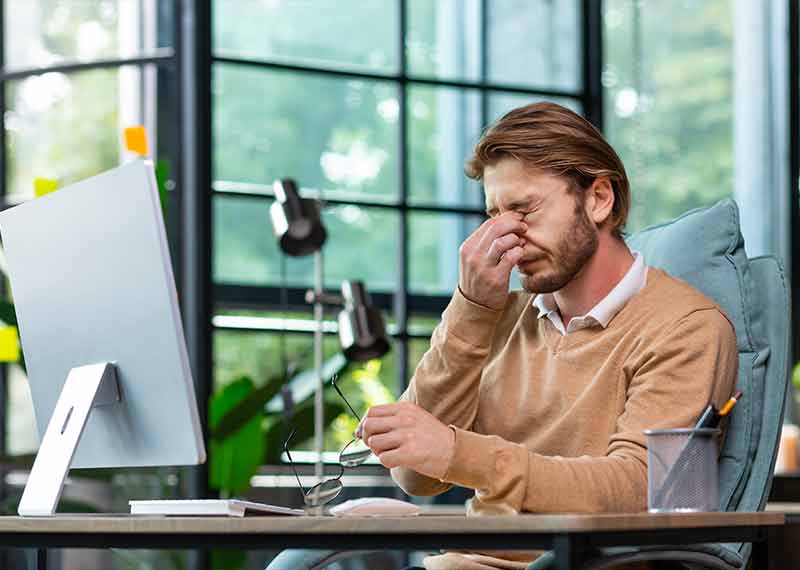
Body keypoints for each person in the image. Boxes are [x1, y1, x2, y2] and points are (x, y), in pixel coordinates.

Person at [356, 101, 738, 570]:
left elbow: (636, 489)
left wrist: (459, 452)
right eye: (495, 215)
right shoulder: (497, 318)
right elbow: (414, 476)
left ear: (600, 198)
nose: (506, 236)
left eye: (524, 209)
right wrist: (470, 310)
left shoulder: (686, 326)